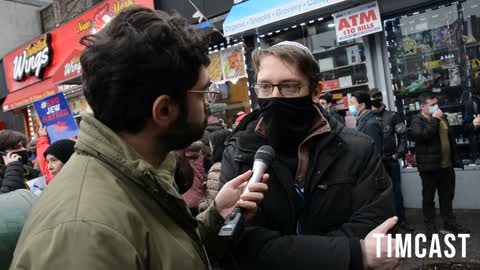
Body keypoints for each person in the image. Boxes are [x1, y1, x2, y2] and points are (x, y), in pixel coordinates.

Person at [10, 6, 268, 270]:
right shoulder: (84, 235)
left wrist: (216, 217)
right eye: (202, 93)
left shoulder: (140, 171)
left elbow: (158, 253)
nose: (208, 105)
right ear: (164, 110)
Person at [220, 41, 398, 270]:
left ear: (315, 91)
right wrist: (353, 254)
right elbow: (246, 246)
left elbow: (375, 226)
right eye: (265, 87)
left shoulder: (358, 149)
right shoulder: (238, 153)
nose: (275, 97)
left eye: (289, 86)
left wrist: (295, 254)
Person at [410, 93, 469, 235]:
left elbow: (450, 135)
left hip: (446, 165)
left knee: (447, 197)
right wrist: (435, 119)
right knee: (429, 198)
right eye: (432, 105)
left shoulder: (442, 118)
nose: (436, 107)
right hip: (429, 167)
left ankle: (450, 223)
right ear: (423, 106)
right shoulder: (416, 120)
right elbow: (423, 136)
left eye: (436, 104)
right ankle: (430, 226)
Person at [370, 88, 413, 232]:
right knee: (377, 194)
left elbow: (403, 136)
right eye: (373, 96)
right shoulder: (367, 117)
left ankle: (402, 220)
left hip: (390, 159)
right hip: (375, 162)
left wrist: (398, 154)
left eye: (378, 96)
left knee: (396, 191)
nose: (376, 98)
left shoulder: (392, 116)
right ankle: (384, 224)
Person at [199, 129, 232, 212]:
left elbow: (212, 202)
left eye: (211, 144)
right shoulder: (233, 163)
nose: (210, 148)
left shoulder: (216, 168)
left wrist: (202, 204)